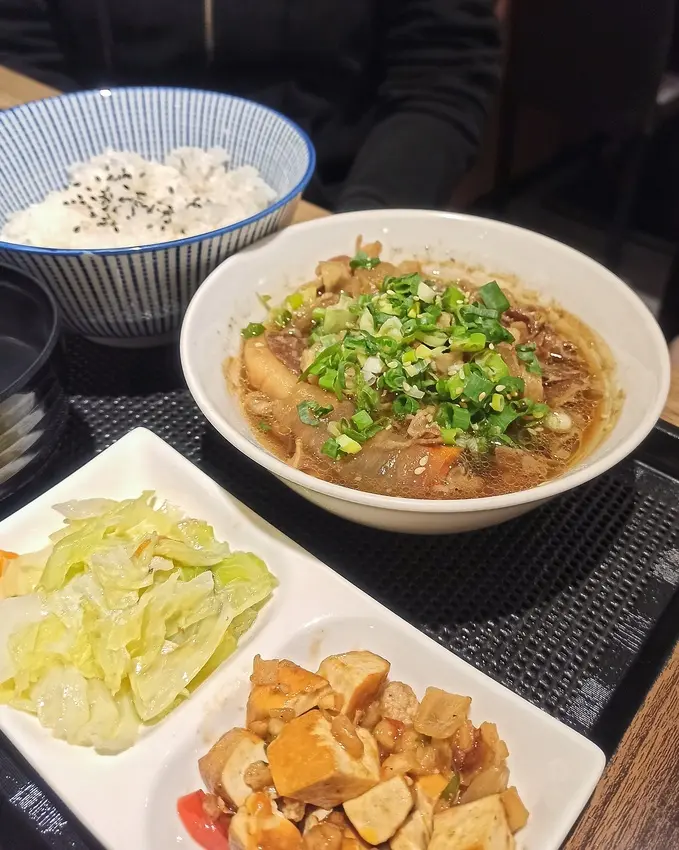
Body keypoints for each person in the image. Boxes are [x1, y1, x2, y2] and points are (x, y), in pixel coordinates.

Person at [0, 0, 501, 212]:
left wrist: (367, 219)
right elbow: (21, 55)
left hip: (332, 194)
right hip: (91, 193)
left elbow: (444, 69)